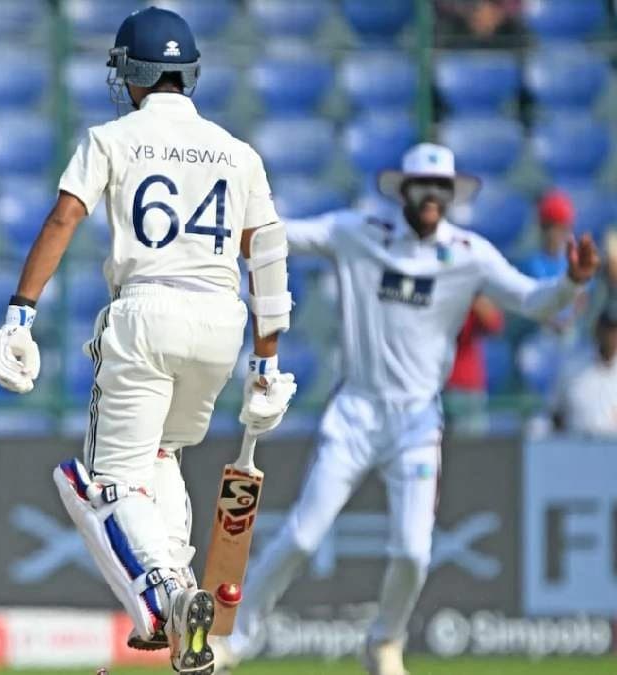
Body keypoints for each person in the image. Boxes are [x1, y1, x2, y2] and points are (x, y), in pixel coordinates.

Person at [0, 8, 297, 674]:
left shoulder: (112, 138)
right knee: (162, 456)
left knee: (99, 482)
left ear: (131, 72)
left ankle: (166, 599)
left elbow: (67, 215)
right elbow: (266, 256)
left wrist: (20, 312)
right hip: (220, 325)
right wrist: (268, 363)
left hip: (146, 315)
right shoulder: (238, 152)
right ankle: (184, 607)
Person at [211, 143, 598, 675]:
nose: (432, 198)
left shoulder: (469, 252)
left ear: (452, 194)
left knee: (414, 551)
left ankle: (384, 642)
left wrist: (572, 282)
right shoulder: (359, 232)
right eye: (423, 187)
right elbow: (281, 235)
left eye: (442, 189)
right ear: (404, 191)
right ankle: (234, 640)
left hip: (417, 423)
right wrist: (222, 223)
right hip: (355, 414)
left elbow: (534, 301)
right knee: (301, 535)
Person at [443, 295, 504, 435]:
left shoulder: (470, 291)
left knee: (470, 449)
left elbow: (495, 324)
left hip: (464, 384)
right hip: (430, 383)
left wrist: (472, 293)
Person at [551, 308, 617, 437]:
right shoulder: (572, 366)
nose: (612, 335)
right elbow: (556, 414)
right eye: (609, 329)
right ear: (598, 330)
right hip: (576, 449)